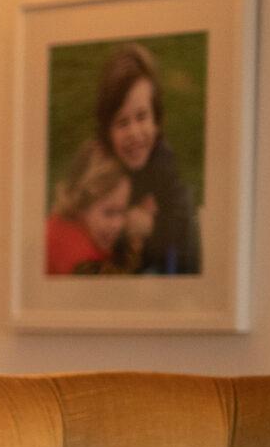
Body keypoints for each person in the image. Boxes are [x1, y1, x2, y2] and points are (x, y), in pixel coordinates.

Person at [92, 42, 201, 275]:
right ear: (107, 132)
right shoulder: (97, 168)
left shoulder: (163, 163)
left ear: (156, 121)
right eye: (122, 123)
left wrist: (150, 227)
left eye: (142, 117)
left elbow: (183, 236)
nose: (134, 133)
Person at [46, 139, 132, 275]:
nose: (118, 224)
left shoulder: (59, 224)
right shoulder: (81, 259)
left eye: (122, 212)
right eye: (109, 213)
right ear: (81, 205)